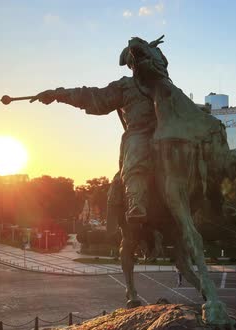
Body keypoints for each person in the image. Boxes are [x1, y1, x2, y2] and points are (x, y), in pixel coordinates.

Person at [35, 50, 156, 226]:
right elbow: (94, 97)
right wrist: (57, 95)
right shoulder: (125, 87)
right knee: (135, 155)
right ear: (133, 66)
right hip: (140, 133)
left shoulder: (164, 86)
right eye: (139, 61)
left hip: (170, 132)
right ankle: (135, 202)